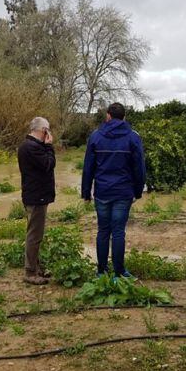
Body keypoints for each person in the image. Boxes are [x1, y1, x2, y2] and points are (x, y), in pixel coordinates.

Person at [81, 102, 146, 278]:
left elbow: (88, 167)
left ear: (108, 116)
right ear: (124, 117)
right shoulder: (133, 137)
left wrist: (86, 193)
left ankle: (101, 271)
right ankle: (119, 272)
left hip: (102, 192)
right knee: (118, 231)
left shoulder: (95, 136)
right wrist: (138, 191)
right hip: (124, 192)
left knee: (103, 230)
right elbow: (139, 167)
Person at [17, 116, 56, 285]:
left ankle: (35, 268)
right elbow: (49, 164)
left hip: (35, 194)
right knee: (34, 235)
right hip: (36, 196)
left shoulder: (30, 146)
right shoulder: (32, 147)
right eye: (47, 130)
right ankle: (30, 272)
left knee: (35, 233)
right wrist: (49, 146)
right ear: (43, 130)